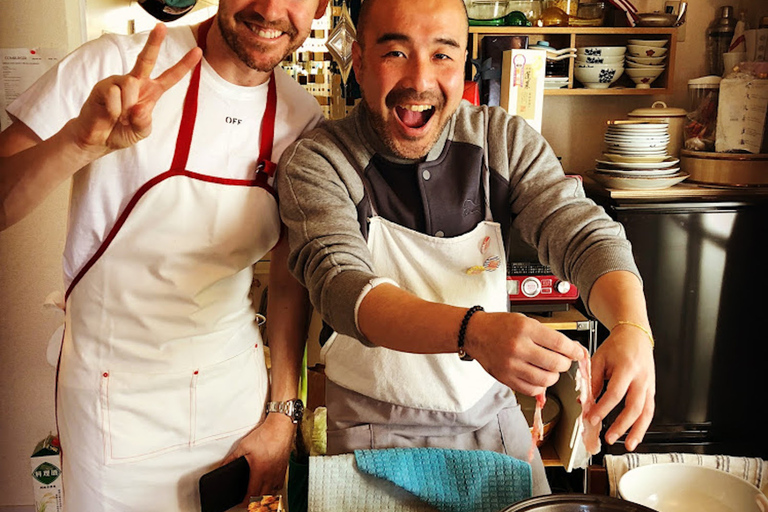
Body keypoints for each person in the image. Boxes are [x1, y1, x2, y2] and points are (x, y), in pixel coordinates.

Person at [276, 0, 655, 496]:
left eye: (443, 55)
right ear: (359, 62)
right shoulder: (320, 161)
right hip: (370, 428)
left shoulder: (501, 141)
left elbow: (580, 230)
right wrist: (472, 333)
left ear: (463, 67)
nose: (419, 79)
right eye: (395, 52)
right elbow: (341, 285)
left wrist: (632, 328)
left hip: (493, 419)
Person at [0, 0, 329, 509]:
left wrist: (283, 412)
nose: (269, 9)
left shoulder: (303, 118)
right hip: (111, 404)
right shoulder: (112, 66)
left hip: (232, 397)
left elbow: (288, 277)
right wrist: (76, 142)